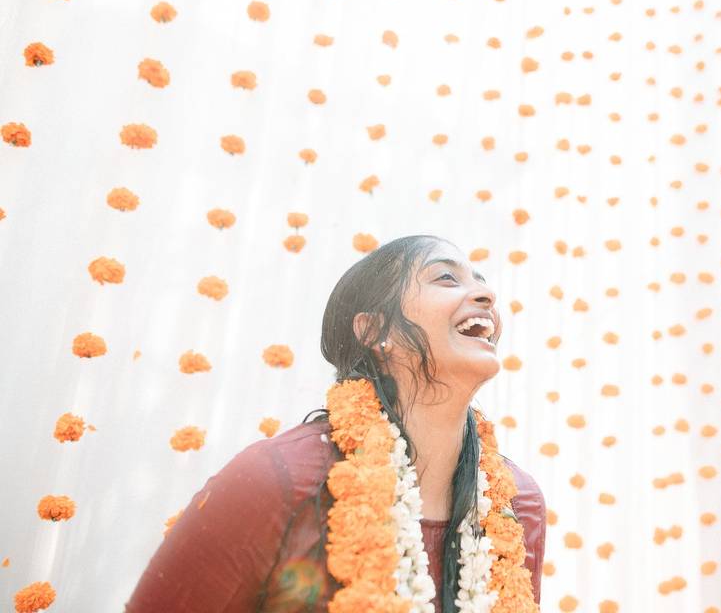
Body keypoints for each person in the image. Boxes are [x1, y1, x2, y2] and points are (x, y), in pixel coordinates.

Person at [125, 235, 546, 612]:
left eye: (481, 280)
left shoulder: (517, 503)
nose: (487, 294)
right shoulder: (279, 480)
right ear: (373, 330)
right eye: (446, 279)